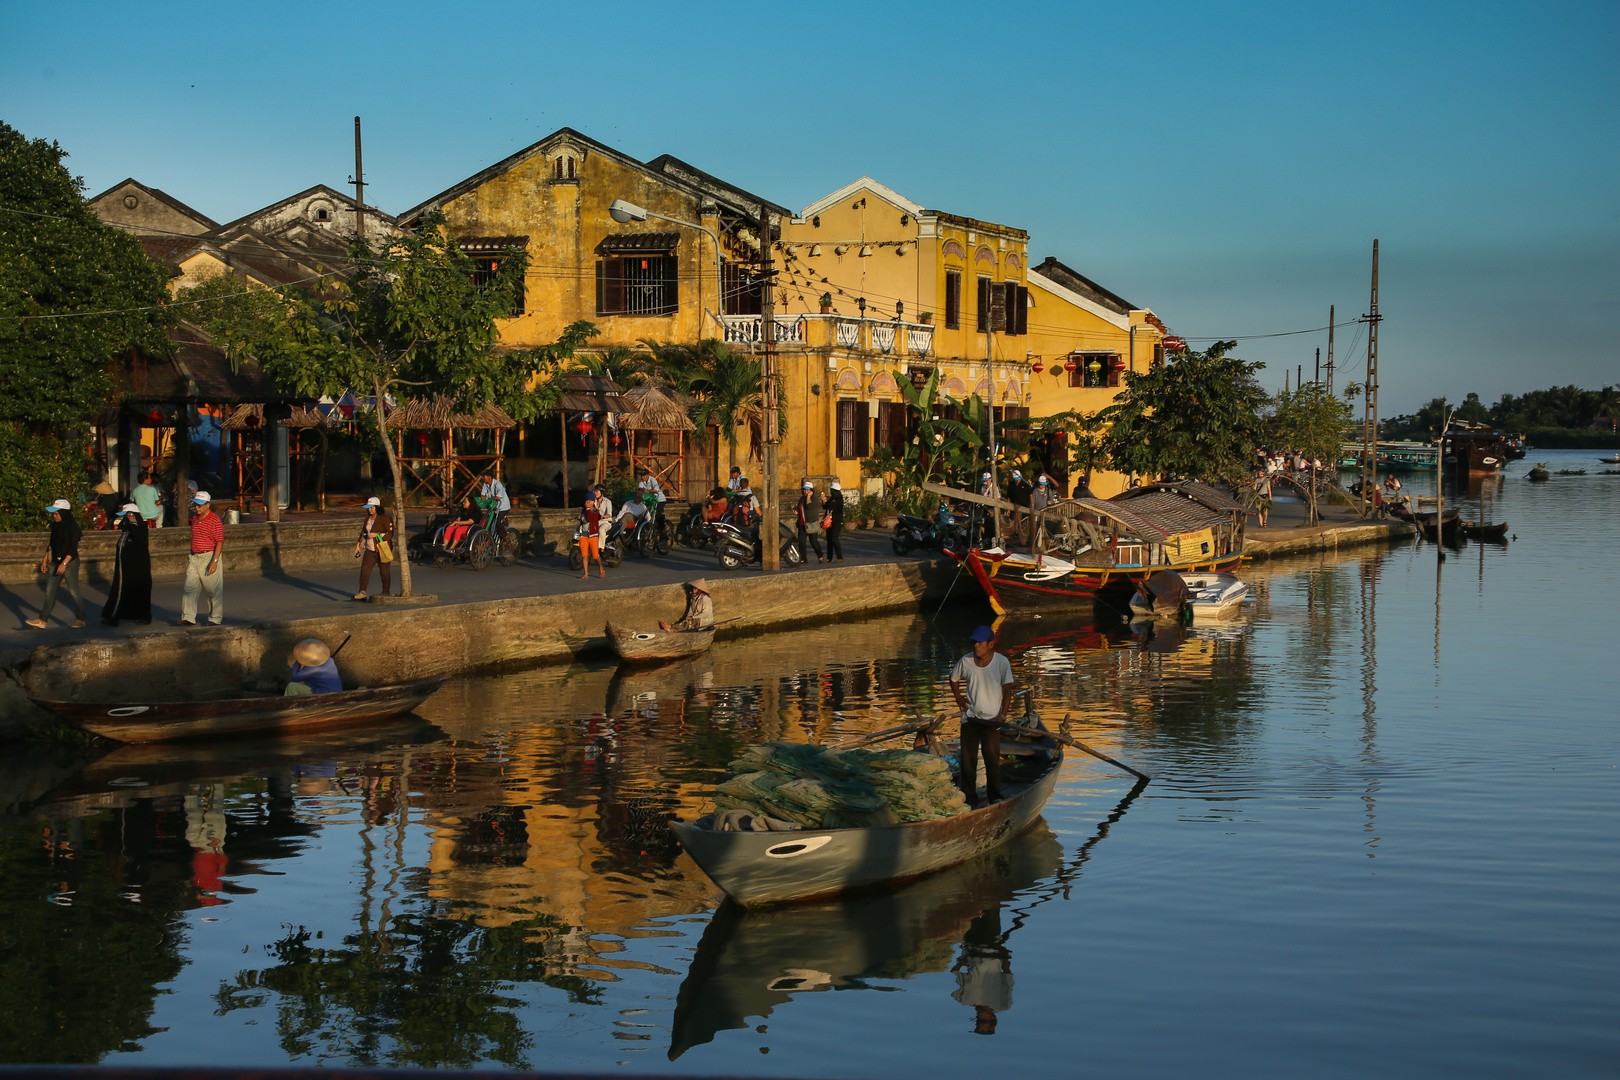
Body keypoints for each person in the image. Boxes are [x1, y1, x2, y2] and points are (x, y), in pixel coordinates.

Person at [948, 625, 1015, 805]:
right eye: (974, 642)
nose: (976, 646)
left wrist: (1002, 715)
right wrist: (959, 698)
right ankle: (970, 797)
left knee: (991, 758)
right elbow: (953, 679)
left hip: (992, 720)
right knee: (968, 761)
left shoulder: (1001, 662)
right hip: (970, 718)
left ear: (991, 644)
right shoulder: (966, 661)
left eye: (980, 643)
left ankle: (995, 795)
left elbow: (1007, 689)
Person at [25, 499, 86, 629]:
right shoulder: (55, 526)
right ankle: (42, 620)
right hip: (56, 561)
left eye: (56, 513)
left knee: (74, 591)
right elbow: (51, 543)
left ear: (63, 513)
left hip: (69, 562)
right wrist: (45, 559)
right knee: (50, 591)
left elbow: (73, 548)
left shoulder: (72, 527)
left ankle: (80, 618)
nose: (54, 516)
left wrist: (64, 563)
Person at [952, 906, 1013, 1035]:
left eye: (978, 1021)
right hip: (992, 948)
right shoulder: (1003, 1004)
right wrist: (1004, 954)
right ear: (993, 1018)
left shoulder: (965, 999)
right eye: (983, 1021)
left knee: (970, 911)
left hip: (972, 949)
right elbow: (1007, 975)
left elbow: (956, 972)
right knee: (991, 910)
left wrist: (962, 960)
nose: (979, 1018)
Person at [100, 503, 152, 626]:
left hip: (138, 567)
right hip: (124, 567)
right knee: (120, 590)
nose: (126, 518)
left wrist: (133, 522)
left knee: (140, 591)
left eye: (128, 515)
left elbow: (139, 539)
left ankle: (144, 616)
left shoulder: (141, 528)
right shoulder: (126, 529)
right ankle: (114, 616)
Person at [179, 490, 224, 626]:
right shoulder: (195, 520)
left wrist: (214, 561)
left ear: (207, 505)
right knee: (190, 587)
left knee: (212, 590)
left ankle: (215, 618)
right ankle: (188, 617)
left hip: (209, 555)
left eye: (200, 505)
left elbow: (219, 542)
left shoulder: (215, 521)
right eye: (196, 505)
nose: (197, 507)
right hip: (195, 556)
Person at [353, 496, 395, 600]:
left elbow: (390, 534)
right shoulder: (367, 519)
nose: (369, 509)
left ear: (377, 507)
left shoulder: (385, 518)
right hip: (369, 549)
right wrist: (358, 544)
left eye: (372, 507)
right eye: (368, 507)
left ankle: (386, 592)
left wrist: (377, 535)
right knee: (364, 571)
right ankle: (362, 592)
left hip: (382, 549)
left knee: (384, 572)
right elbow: (363, 532)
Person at [577, 489, 606, 579]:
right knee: (584, 555)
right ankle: (586, 573)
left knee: (595, 556)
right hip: (584, 535)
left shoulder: (595, 512)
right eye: (586, 501)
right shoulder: (584, 511)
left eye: (590, 501)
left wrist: (589, 509)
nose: (588, 502)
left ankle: (601, 567)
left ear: (593, 502)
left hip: (592, 536)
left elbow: (591, 519)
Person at [796, 480, 826, 563]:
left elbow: (809, 506)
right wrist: (796, 510)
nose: (806, 491)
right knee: (801, 542)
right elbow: (799, 507)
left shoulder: (814, 499)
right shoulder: (801, 499)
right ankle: (803, 559)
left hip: (811, 523)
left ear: (811, 491)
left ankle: (820, 556)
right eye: (804, 489)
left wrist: (809, 497)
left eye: (808, 490)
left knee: (813, 541)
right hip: (802, 523)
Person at [480, 475, 510, 539]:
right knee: (488, 522)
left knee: (497, 522)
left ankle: (505, 537)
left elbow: (499, 497)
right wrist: (484, 498)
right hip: (493, 507)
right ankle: (488, 538)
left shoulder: (497, 484)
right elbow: (482, 496)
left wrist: (487, 498)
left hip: (503, 507)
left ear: (489, 477)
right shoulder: (485, 484)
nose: (483, 478)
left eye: (485, 476)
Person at [823, 480, 845, 562]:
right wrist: (824, 500)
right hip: (829, 521)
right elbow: (825, 506)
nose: (831, 492)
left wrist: (826, 502)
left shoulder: (839, 499)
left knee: (834, 538)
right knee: (829, 539)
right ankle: (829, 557)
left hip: (836, 522)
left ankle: (840, 557)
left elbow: (832, 506)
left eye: (832, 490)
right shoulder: (832, 498)